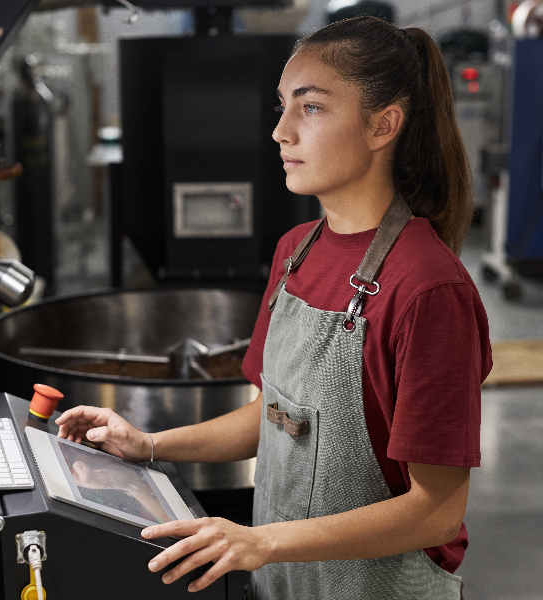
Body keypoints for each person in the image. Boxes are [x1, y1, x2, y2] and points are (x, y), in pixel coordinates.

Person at [56, 15, 491, 599]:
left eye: (309, 107)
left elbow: (435, 511)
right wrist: (152, 445)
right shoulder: (297, 252)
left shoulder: (428, 290)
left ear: (383, 124)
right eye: (282, 106)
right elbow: (275, 419)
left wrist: (262, 541)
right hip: (285, 586)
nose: (281, 131)